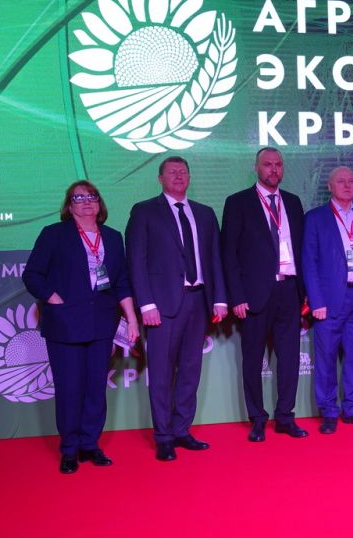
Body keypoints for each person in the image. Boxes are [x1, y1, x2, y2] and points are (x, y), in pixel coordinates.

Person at [23, 181, 139, 474]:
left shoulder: (112, 237)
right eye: (79, 198)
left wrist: (131, 318)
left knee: (95, 388)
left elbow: (121, 282)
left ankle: (90, 443)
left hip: (101, 323)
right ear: (69, 205)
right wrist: (54, 298)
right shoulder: (54, 234)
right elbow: (32, 274)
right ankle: (69, 449)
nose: (86, 202)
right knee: (70, 388)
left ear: (100, 204)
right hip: (65, 324)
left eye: (92, 196)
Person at [125, 156, 227, 461]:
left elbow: (215, 258)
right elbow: (136, 261)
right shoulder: (144, 211)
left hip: (199, 301)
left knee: (190, 371)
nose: (179, 176)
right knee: (160, 373)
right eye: (172, 172)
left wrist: (220, 299)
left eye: (183, 171)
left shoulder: (205, 213)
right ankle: (164, 436)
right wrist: (146, 303)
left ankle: (182, 430)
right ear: (160, 178)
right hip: (162, 305)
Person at [221, 147, 307, 442]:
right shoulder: (238, 202)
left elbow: (301, 250)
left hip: (289, 290)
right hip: (254, 294)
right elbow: (229, 254)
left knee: (290, 359)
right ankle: (257, 418)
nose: (274, 169)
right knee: (253, 359)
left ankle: (285, 416)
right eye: (268, 164)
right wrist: (236, 296)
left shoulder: (293, 202)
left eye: (278, 164)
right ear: (256, 168)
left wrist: (304, 292)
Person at [302, 167, 353, 434]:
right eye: (341, 181)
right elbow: (309, 262)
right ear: (330, 186)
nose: (347, 185)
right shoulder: (315, 218)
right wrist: (316, 301)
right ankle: (328, 411)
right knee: (326, 357)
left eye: (351, 181)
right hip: (328, 299)